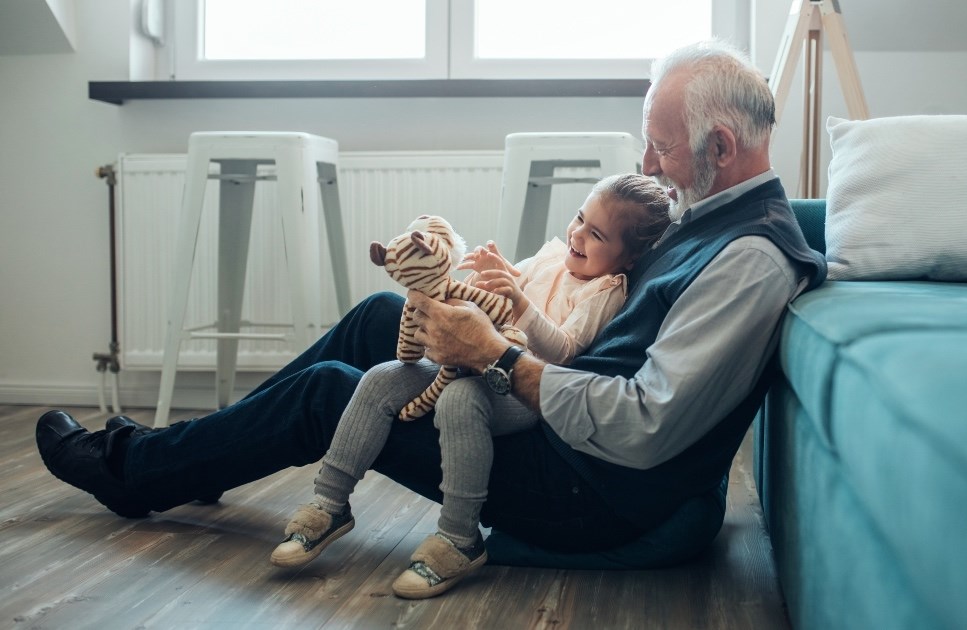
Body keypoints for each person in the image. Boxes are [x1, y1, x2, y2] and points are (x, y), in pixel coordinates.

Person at [34, 39, 827, 600]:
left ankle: (130, 473)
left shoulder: (748, 260)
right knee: (384, 313)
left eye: (658, 148)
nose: (647, 165)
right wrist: (503, 302)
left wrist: (500, 359)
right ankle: (192, 461)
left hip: (593, 490)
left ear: (720, 145)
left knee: (333, 392)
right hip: (560, 424)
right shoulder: (709, 211)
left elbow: (646, 426)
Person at [269, 174, 672, 599]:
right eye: (579, 219)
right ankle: (329, 504)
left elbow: (564, 352)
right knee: (380, 379)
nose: (578, 235)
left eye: (596, 235)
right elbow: (506, 290)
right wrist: (493, 276)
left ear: (628, 259)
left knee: (460, 400)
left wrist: (518, 300)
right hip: (473, 361)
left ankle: (459, 537)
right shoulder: (555, 255)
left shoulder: (605, 290)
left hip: (522, 388)